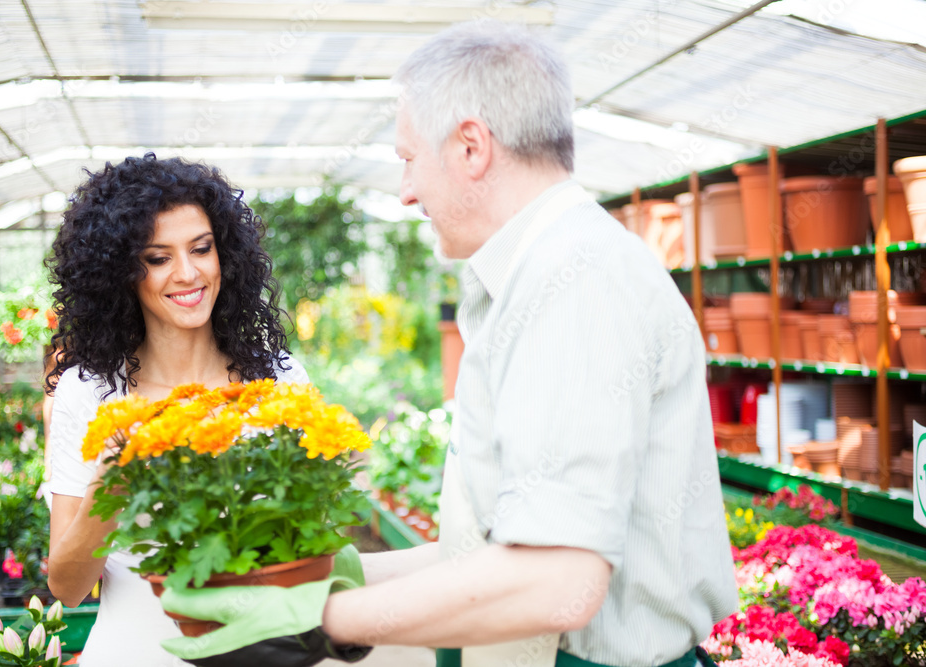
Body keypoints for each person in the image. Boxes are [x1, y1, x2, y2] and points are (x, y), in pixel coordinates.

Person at [160, 21, 738, 667]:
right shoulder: (536, 274)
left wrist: (321, 618)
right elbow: (503, 545)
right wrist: (332, 576)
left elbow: (558, 579)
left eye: (408, 159)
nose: (406, 192)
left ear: (470, 147)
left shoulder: (574, 283)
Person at [44, 153, 308, 666]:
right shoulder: (91, 392)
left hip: (257, 650)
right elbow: (67, 588)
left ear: (225, 254)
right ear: (120, 272)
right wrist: (110, 487)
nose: (187, 274)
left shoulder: (278, 379)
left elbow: (311, 549)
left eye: (201, 249)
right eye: (158, 257)